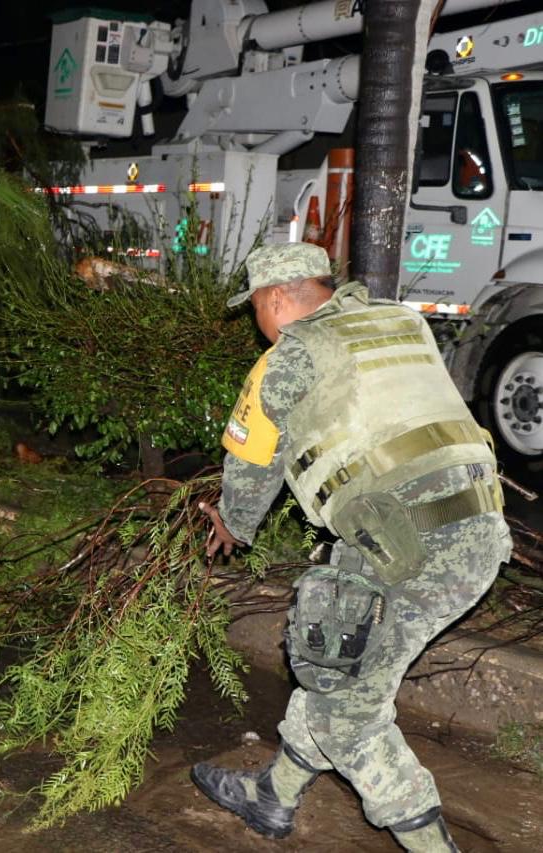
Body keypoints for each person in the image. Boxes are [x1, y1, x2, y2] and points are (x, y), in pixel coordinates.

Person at [194, 242, 510, 852]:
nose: (257, 325)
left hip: (407, 547)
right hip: (479, 526)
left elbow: (250, 468)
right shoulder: (403, 320)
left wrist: (232, 524)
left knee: (349, 713)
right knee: (335, 667)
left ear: (278, 299)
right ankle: (273, 798)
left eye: (255, 308)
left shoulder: (289, 359)